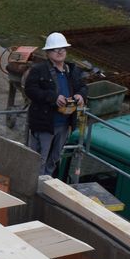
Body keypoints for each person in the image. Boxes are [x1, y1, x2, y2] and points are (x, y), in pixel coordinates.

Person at [24, 32, 87, 179]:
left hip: (64, 124)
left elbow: (83, 87)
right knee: (39, 158)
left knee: (55, 157)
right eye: (55, 49)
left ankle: (47, 182)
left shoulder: (72, 70)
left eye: (62, 49)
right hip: (45, 123)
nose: (60, 52)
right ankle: (35, 184)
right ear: (47, 53)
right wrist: (53, 97)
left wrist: (80, 95)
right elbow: (30, 90)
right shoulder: (39, 70)